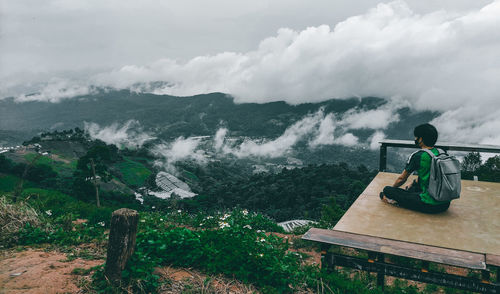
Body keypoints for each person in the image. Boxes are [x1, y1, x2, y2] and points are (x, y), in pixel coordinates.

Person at [380, 123, 451, 213]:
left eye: (416, 137)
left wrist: (393, 190)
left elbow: (401, 179)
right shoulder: (441, 152)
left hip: (429, 206)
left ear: (420, 139)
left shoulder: (419, 155)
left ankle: (392, 200)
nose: (415, 139)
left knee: (386, 190)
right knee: (411, 188)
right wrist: (413, 183)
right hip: (445, 204)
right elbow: (430, 175)